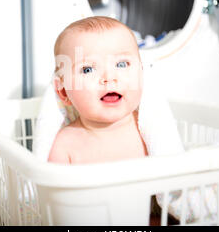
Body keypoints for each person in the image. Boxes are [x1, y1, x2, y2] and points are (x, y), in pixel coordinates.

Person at [48, 16, 148, 164]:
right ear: (63, 91)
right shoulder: (65, 145)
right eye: (88, 69)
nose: (109, 77)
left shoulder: (149, 132)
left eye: (121, 64)